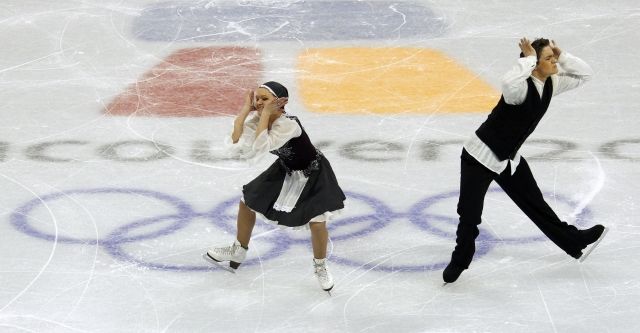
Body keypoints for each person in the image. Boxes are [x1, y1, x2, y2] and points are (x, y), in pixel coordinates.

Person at [443, 38, 608, 283]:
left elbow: (585, 75)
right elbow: (508, 82)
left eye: (554, 58)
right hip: (478, 156)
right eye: (548, 59)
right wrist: (529, 58)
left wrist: (562, 56)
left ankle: (573, 241)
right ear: (534, 65)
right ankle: (461, 259)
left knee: (536, 204)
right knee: (470, 213)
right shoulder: (519, 90)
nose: (554, 63)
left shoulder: (551, 83)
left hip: (509, 159)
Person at [205, 81, 346, 292]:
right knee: (247, 202)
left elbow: (261, 147)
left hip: (313, 172)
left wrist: (263, 115)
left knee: (317, 222)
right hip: (285, 169)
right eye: (258, 98)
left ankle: (320, 266)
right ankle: (238, 250)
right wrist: (245, 110)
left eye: (265, 99)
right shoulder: (257, 119)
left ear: (282, 102)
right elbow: (235, 141)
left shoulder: (288, 124)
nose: (259, 102)